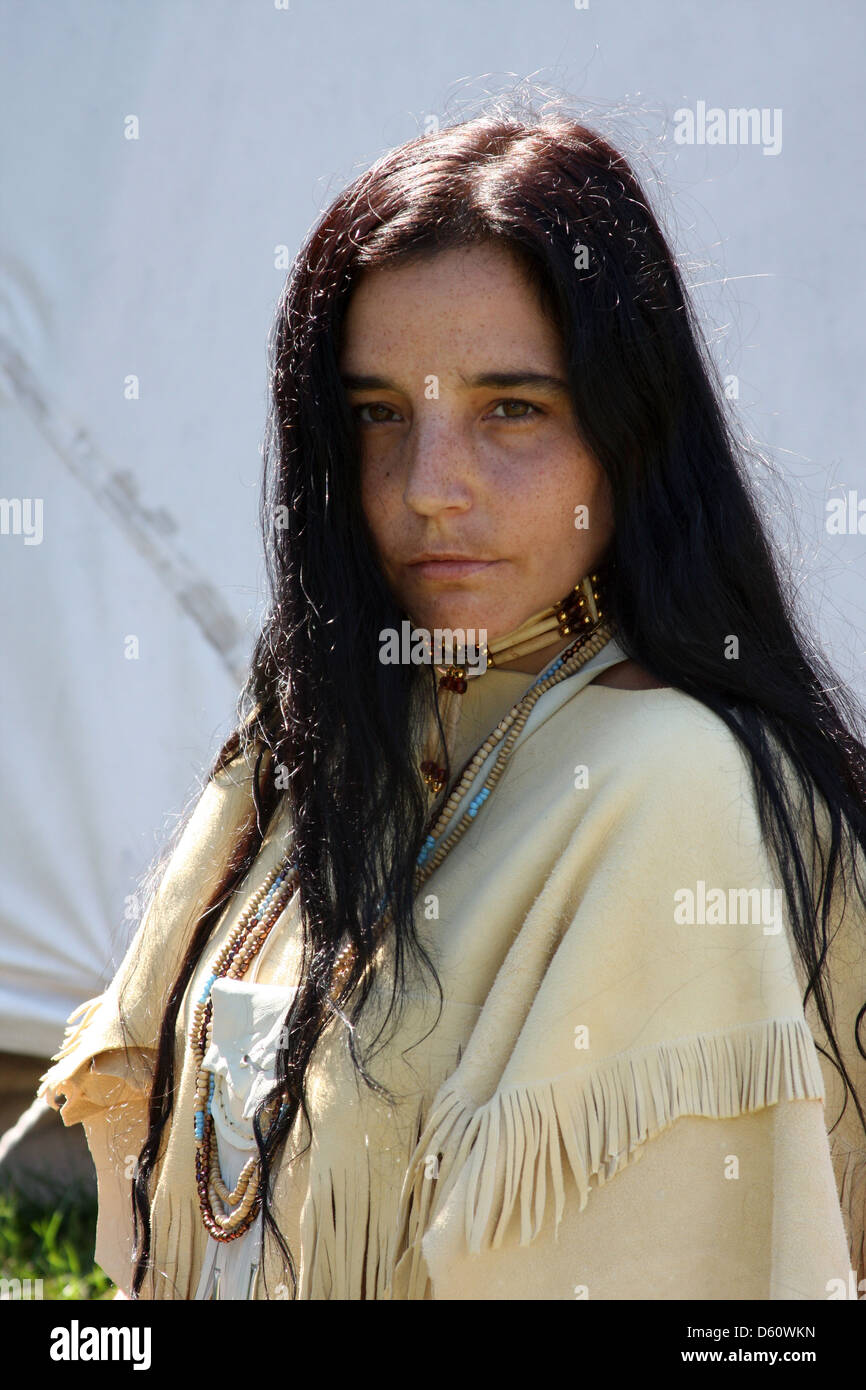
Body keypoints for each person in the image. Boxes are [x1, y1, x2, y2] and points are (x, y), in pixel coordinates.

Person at [38, 105, 866, 1301]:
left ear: (629, 437)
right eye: (379, 414)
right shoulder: (320, 736)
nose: (429, 489)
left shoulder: (666, 779)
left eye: (510, 408)